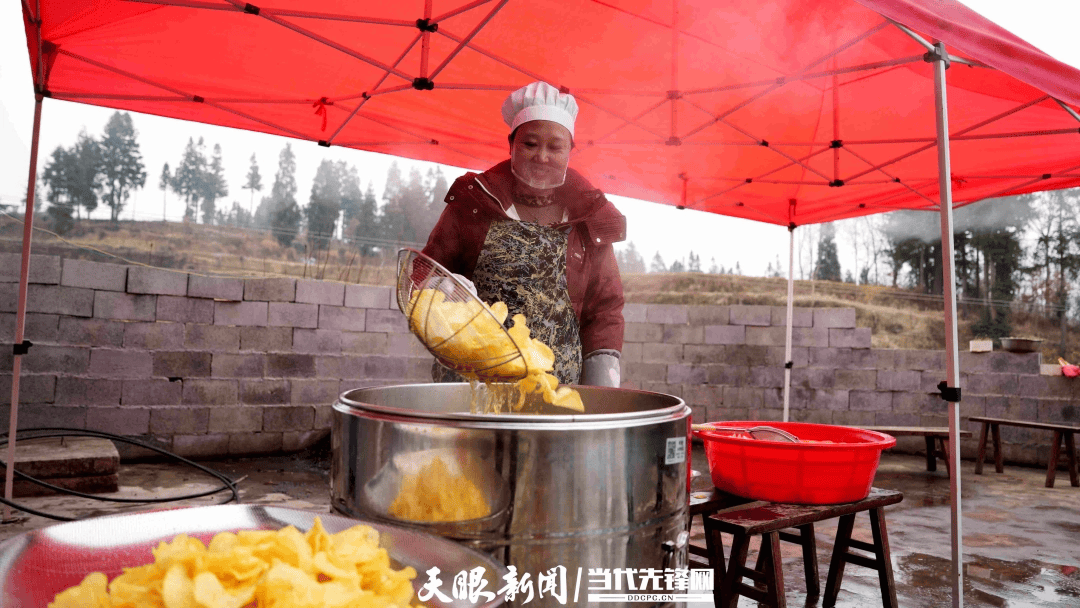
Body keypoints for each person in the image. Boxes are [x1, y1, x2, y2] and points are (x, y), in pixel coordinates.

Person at [421, 81, 625, 388]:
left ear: (570, 151)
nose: (542, 156)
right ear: (511, 144)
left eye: (555, 147)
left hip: (557, 391)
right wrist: (439, 288)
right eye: (530, 144)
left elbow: (604, 307)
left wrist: (602, 381)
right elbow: (424, 272)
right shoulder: (472, 205)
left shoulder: (589, 218)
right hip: (470, 385)